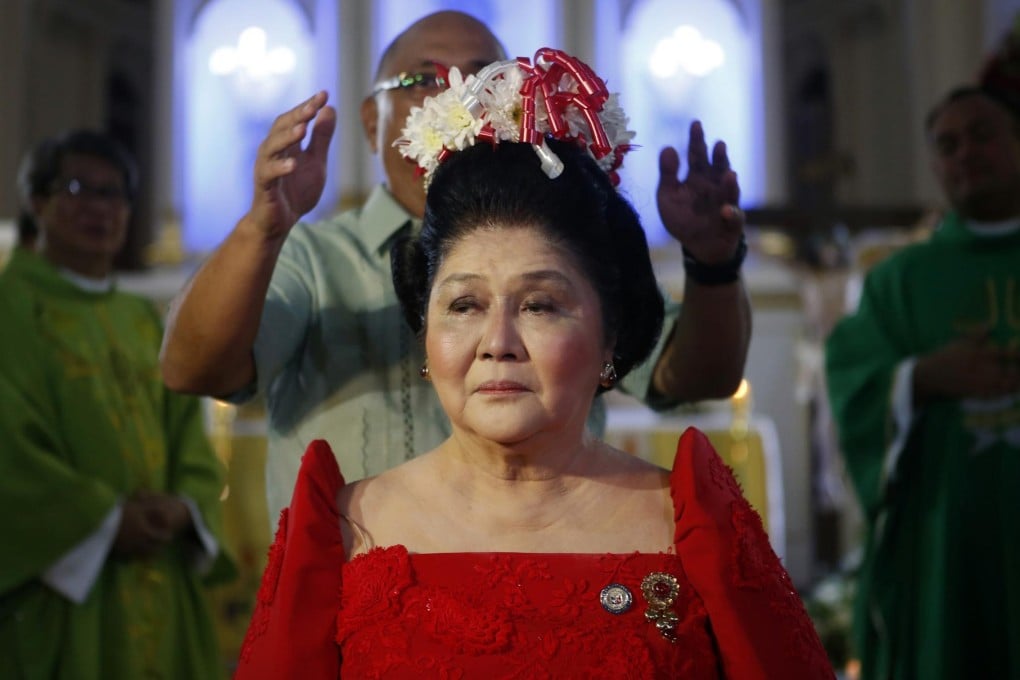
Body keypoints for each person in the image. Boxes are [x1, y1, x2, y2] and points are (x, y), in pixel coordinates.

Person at [232, 50, 831, 679]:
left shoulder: (691, 523)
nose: (498, 341)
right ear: (425, 335)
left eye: (541, 305)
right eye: (463, 305)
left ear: (611, 338)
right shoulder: (340, 529)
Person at [159, 10, 752, 524]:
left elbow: (694, 378)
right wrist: (263, 227)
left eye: (483, 78)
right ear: (373, 122)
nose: (457, 98)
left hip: (539, 567)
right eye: (424, 80)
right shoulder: (312, 259)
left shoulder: (564, 247)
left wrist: (714, 264)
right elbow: (192, 370)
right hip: (352, 599)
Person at [0, 130, 235, 679]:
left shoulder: (140, 317)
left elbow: (187, 434)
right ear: (38, 202)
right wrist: (104, 522)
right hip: (57, 588)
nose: (100, 208)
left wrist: (185, 506)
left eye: (115, 194)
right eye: (80, 189)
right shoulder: (9, 310)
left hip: (160, 575)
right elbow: (7, 449)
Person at [825, 85, 1020, 679]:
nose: (965, 154)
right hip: (945, 541)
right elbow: (853, 379)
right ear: (934, 164)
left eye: (983, 135)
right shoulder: (899, 280)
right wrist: (922, 378)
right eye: (947, 144)